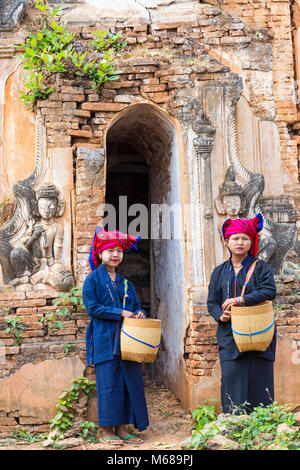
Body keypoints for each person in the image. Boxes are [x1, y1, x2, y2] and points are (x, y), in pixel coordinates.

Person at [83, 227, 149, 445]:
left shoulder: (126, 283)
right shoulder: (92, 280)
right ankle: (106, 431)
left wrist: (140, 312)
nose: (115, 255)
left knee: (127, 383)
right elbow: (93, 308)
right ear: (100, 254)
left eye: (119, 251)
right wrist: (119, 312)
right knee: (108, 384)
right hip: (104, 339)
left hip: (128, 340)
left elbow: (137, 306)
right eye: (110, 250)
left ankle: (122, 429)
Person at [207, 214, 277, 414]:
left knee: (260, 381)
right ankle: (234, 424)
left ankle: (261, 427)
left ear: (251, 241)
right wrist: (220, 316)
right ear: (226, 241)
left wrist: (240, 300)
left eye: (245, 238)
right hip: (230, 336)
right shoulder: (219, 272)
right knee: (232, 379)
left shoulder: (260, 267)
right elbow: (212, 302)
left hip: (259, 334)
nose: (240, 242)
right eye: (235, 238)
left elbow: (269, 291)